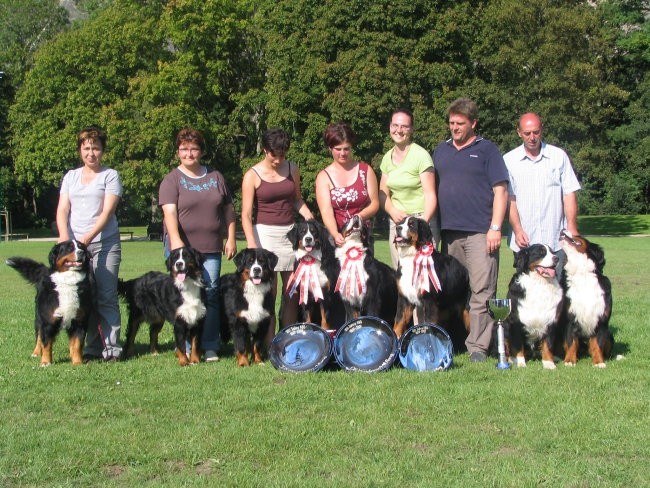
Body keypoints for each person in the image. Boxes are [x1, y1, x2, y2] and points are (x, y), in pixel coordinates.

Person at [432, 98, 509, 363]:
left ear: (473, 123)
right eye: (451, 123)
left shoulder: (487, 150)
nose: (454, 127)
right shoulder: (440, 151)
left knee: (482, 291)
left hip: (480, 233)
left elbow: (501, 191)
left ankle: (478, 348)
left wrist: (495, 227)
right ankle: (454, 340)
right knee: (453, 290)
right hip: (450, 233)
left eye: (460, 123)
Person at [159, 128, 237, 362]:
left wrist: (231, 237)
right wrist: (176, 243)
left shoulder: (215, 177)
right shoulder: (172, 179)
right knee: (183, 296)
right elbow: (169, 213)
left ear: (201, 151)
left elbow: (229, 209)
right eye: (184, 149)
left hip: (211, 247)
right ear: (178, 152)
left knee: (210, 293)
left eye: (194, 148)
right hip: (182, 249)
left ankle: (210, 345)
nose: (189, 153)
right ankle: (184, 345)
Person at [56, 126, 123, 361]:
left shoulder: (110, 175)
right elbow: (63, 208)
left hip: (104, 244)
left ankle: (112, 349)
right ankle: (92, 348)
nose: (91, 153)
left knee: (105, 296)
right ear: (80, 150)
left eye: (96, 148)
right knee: (85, 298)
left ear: (102, 150)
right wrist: (66, 238)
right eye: (86, 148)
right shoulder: (71, 177)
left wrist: (85, 239)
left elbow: (107, 212)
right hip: (75, 249)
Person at [241, 128, 314, 342]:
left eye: (282, 154)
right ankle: (270, 342)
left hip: (290, 235)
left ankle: (288, 339)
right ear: (265, 150)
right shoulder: (251, 175)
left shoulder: (292, 168)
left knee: (291, 292)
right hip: (264, 236)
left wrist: (310, 219)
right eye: (275, 155)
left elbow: (297, 200)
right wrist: (253, 245)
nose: (278, 159)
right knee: (269, 293)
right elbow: (245, 214)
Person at [503, 112, 581, 271]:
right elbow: (509, 199)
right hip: (524, 242)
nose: (532, 137)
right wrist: (517, 230)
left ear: (542, 130)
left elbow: (569, 193)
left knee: (557, 290)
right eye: (527, 133)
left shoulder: (558, 156)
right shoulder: (509, 160)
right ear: (519, 132)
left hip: (555, 240)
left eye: (536, 132)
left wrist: (572, 227)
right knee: (527, 291)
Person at [379, 108, 439, 269]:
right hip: (397, 224)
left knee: (425, 278)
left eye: (404, 126)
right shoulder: (386, 158)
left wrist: (420, 226)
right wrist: (392, 211)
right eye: (395, 125)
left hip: (420, 221)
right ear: (390, 127)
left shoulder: (421, 156)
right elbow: (383, 194)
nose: (399, 130)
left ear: (411, 129)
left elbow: (431, 195)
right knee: (402, 276)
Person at [315, 122, 379, 249]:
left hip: (363, 238)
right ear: (330, 148)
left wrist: (359, 217)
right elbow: (326, 211)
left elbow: (375, 204)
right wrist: (335, 233)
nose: (342, 153)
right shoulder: (323, 177)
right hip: (338, 238)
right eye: (338, 149)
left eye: (346, 148)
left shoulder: (366, 170)